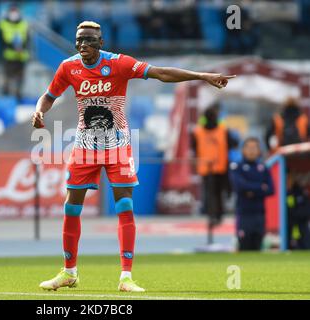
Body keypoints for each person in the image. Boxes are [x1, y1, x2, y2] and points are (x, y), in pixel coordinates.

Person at [31, 21, 235, 292]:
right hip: (85, 146)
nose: (83, 46)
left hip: (117, 144)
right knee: (71, 206)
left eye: (89, 41)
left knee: (124, 205)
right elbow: (48, 96)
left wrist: (202, 76)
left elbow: (161, 73)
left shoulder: (119, 64)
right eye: (79, 40)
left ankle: (126, 277)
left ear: (101, 43)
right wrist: (39, 111)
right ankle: (69, 272)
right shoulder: (68, 67)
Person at [191, 105, 238, 228]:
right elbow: (233, 144)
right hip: (220, 166)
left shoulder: (198, 131)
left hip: (207, 167)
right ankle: (217, 215)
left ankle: (212, 216)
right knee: (218, 193)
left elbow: (194, 148)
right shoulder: (223, 130)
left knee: (210, 193)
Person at [229, 137, 274, 251]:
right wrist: (260, 187)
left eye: (254, 147)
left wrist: (251, 190)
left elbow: (271, 189)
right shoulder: (237, 167)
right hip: (244, 214)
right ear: (243, 150)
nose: (251, 150)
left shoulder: (263, 168)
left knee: (258, 248)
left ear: (259, 150)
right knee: (244, 247)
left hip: (260, 214)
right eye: (249, 147)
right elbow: (240, 187)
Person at [0, 6, 29, 100]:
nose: (14, 14)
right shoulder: (3, 24)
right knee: (7, 79)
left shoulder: (24, 24)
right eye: (12, 11)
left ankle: (18, 97)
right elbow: (1, 40)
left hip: (21, 56)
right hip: (9, 56)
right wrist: (13, 46)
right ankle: (7, 98)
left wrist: (21, 47)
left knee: (20, 79)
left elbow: (27, 39)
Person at [286, 172, 310, 250]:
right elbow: (289, 208)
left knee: (305, 243)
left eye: (290, 178)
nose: (289, 180)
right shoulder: (285, 193)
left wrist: (299, 215)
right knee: (290, 243)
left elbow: (306, 208)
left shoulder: (300, 192)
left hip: (301, 222)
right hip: (290, 223)